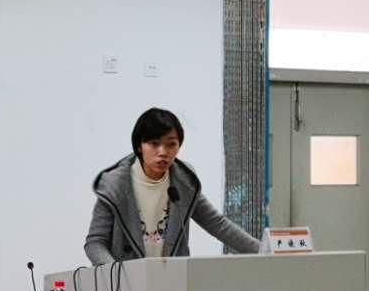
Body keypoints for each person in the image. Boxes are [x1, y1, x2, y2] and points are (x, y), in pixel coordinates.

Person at [84, 107, 259, 266]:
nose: (163, 152)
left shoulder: (184, 183)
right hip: (125, 282)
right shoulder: (114, 185)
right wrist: (116, 274)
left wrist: (264, 250)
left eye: (171, 144)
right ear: (139, 146)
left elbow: (218, 224)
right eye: (154, 143)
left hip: (172, 279)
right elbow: (95, 243)